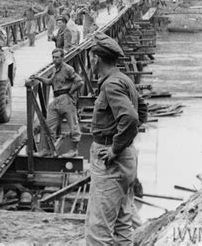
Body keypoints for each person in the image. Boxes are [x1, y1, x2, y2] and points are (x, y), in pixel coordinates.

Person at [85, 32, 147, 245]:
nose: (90, 62)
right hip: (127, 159)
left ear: (96, 58)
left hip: (111, 161)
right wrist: (127, 142)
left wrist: (115, 148)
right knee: (122, 223)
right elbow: (143, 110)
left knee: (98, 230)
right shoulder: (123, 79)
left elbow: (130, 117)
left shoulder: (111, 84)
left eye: (90, 58)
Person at [31, 48, 84, 157]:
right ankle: (46, 149)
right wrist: (38, 78)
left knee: (73, 125)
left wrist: (70, 92)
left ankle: (74, 150)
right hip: (56, 100)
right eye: (53, 57)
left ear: (62, 58)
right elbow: (50, 82)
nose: (54, 59)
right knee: (49, 125)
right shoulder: (55, 69)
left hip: (66, 99)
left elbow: (79, 82)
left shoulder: (68, 69)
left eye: (57, 57)